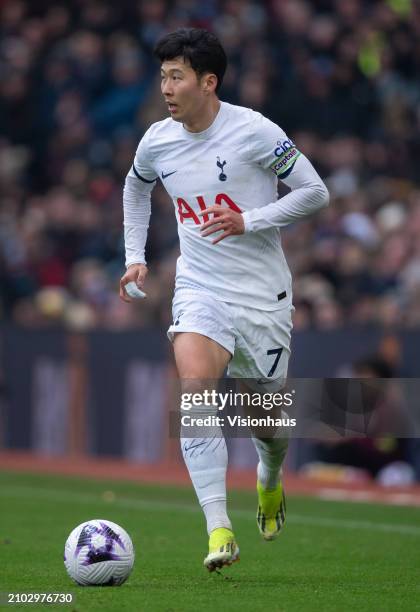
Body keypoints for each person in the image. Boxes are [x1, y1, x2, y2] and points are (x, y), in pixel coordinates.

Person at [120, 27, 329, 572]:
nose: (165, 86)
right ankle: (219, 528)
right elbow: (136, 186)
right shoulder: (157, 140)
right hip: (200, 286)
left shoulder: (255, 132)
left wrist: (248, 220)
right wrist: (134, 255)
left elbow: (314, 191)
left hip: (263, 296)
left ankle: (270, 475)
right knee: (194, 388)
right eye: (162, 74)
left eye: (176, 75)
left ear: (208, 82)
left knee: (268, 421)